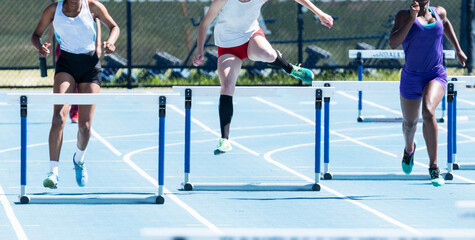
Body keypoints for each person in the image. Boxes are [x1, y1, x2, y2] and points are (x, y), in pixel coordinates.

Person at [192, 0, 333, 155]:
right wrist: (200, 50)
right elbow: (205, 24)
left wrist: (319, 13)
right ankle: (225, 139)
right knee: (226, 86)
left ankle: (290, 68)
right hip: (227, 47)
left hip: (251, 38)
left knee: (268, 54)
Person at [32, 0, 119, 189]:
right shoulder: (54, 9)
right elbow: (35, 35)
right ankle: (53, 172)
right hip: (66, 64)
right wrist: (40, 47)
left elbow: (114, 27)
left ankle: (79, 160)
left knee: (85, 126)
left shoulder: (93, 6)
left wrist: (110, 43)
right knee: (57, 118)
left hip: (90, 66)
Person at [389, 0, 467, 187]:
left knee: (428, 111)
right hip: (411, 78)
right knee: (410, 124)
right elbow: (393, 43)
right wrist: (412, 19)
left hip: (435, 75)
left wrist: (458, 49)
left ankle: (433, 166)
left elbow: (446, 23)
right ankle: (409, 149)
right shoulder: (403, 16)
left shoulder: (439, 13)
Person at [47, 0, 103, 124]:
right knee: (66, 78)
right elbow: (53, 22)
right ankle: (64, 107)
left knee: (82, 82)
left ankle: (76, 111)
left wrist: (98, 44)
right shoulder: (58, 7)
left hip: (86, 50)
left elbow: (96, 21)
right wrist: (49, 40)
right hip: (64, 49)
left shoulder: (90, 6)